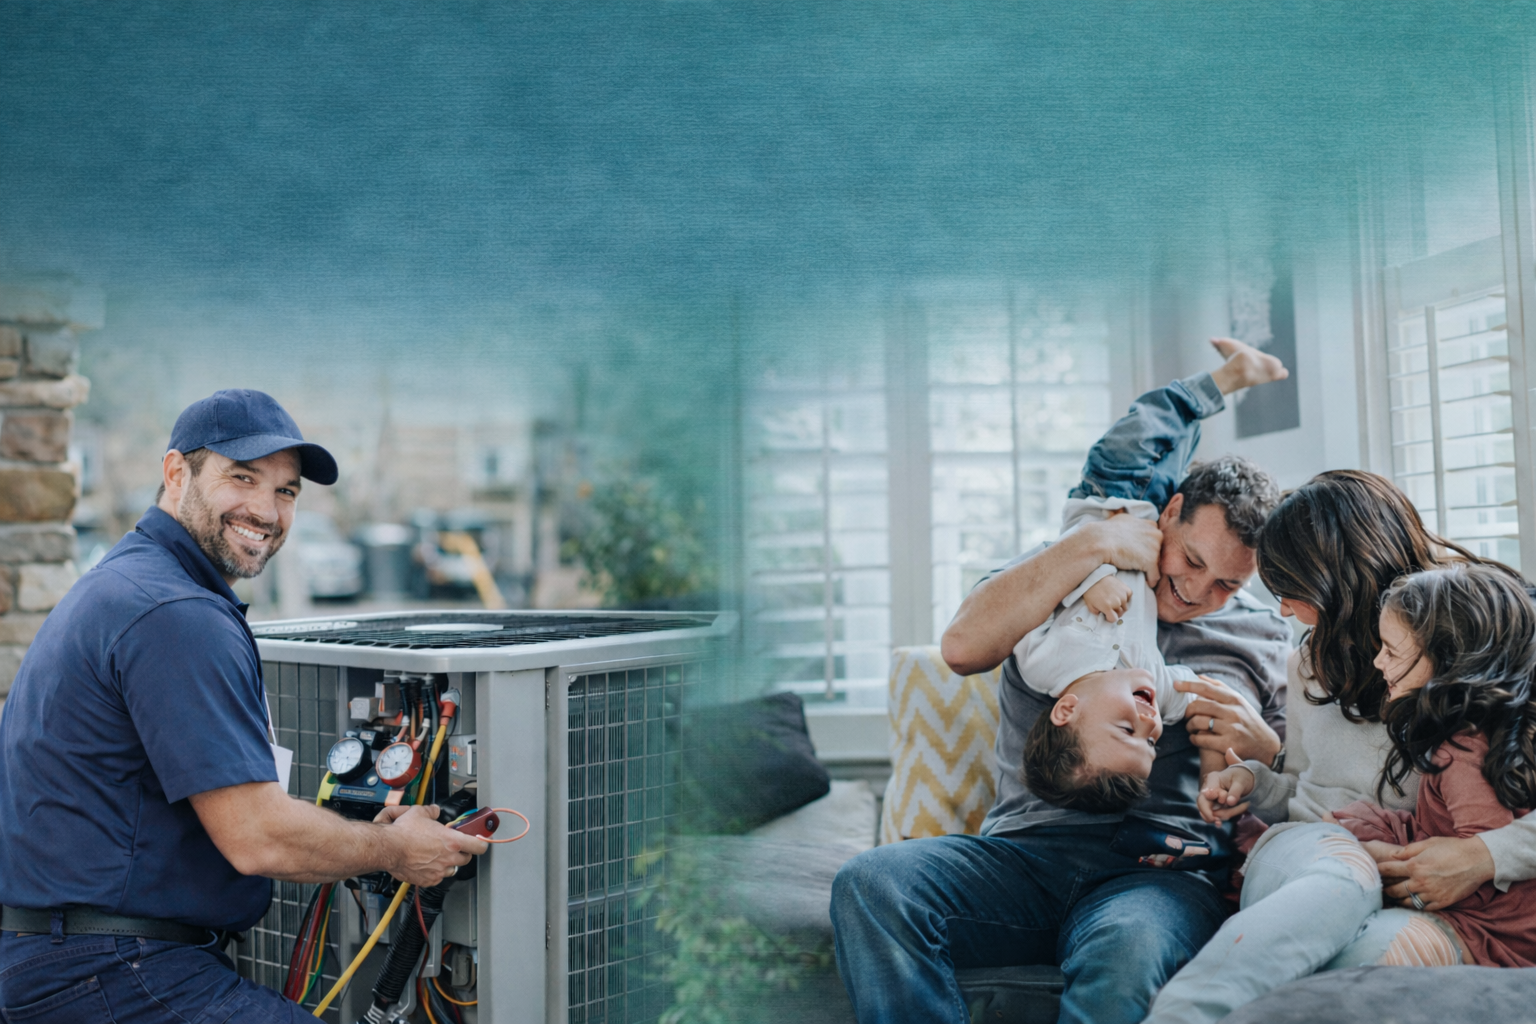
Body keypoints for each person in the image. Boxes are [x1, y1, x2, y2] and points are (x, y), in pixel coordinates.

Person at [830, 338, 1293, 1024]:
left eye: (1228, 584)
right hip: (1021, 856)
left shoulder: (1262, 637)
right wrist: (1093, 545)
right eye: (1192, 560)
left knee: (1126, 955)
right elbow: (960, 648)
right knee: (872, 883)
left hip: (1157, 880)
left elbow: (1300, 788)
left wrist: (1264, 749)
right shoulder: (1066, 581)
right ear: (1166, 514)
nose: (1199, 591)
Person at [0, 389, 487, 1023]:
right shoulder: (176, 614)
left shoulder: (125, 581)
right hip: (113, 970)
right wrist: (395, 851)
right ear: (177, 473)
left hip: (69, 958)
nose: (266, 509)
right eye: (242, 477)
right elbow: (255, 837)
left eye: (286, 491)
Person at [1144, 472, 1536, 1024]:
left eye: (1291, 591)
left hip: (1416, 892)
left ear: (1339, 579)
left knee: (1354, 974)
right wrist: (1258, 778)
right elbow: (1304, 792)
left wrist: (1482, 856)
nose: (1283, 612)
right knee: (1342, 871)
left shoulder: (1483, 636)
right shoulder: (1310, 660)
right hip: (1307, 853)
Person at [1326, 565, 1536, 968]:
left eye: (1390, 650)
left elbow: (1471, 870)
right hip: (1502, 917)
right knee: (1355, 822)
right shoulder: (1481, 733)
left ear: (1448, 660)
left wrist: (1394, 862)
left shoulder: (1459, 748)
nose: (1376, 662)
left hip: (1493, 929)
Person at [1015, 492, 1240, 812]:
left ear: (1066, 710)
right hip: (1153, 518)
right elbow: (1208, 701)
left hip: (1103, 501)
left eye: (1127, 730)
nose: (1150, 723)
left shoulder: (1041, 663)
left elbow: (1032, 586)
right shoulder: (1158, 688)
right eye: (1151, 742)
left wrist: (1091, 582)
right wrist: (1213, 775)